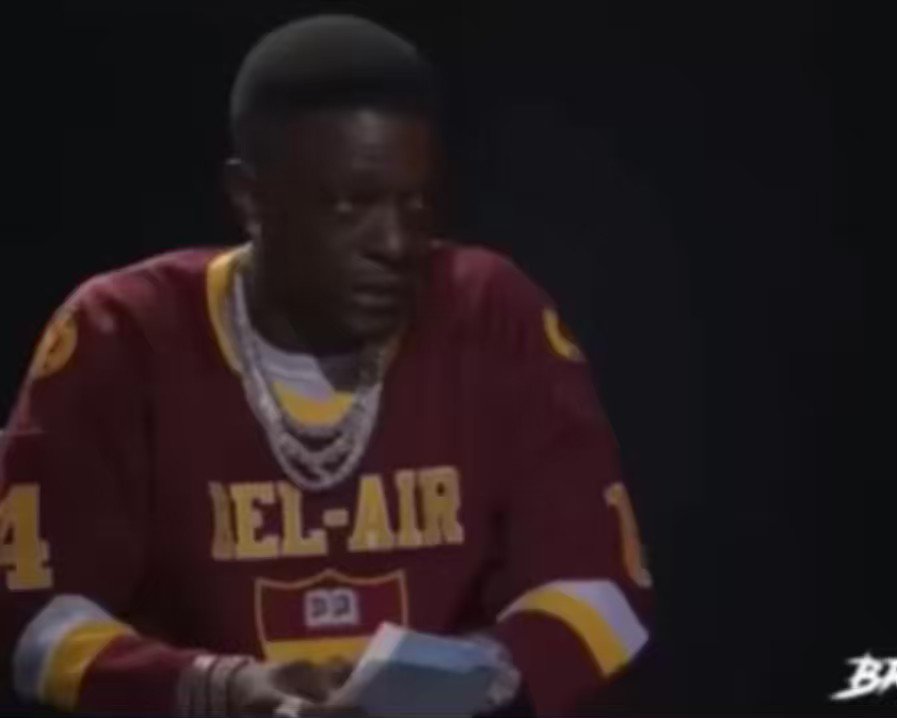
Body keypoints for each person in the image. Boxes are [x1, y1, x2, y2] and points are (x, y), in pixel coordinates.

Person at [0, 14, 652, 717]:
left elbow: (603, 592)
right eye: (353, 206)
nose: (397, 242)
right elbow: (32, 618)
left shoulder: (492, 314)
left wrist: (470, 682)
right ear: (250, 198)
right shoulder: (121, 333)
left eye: (416, 203)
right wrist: (215, 687)